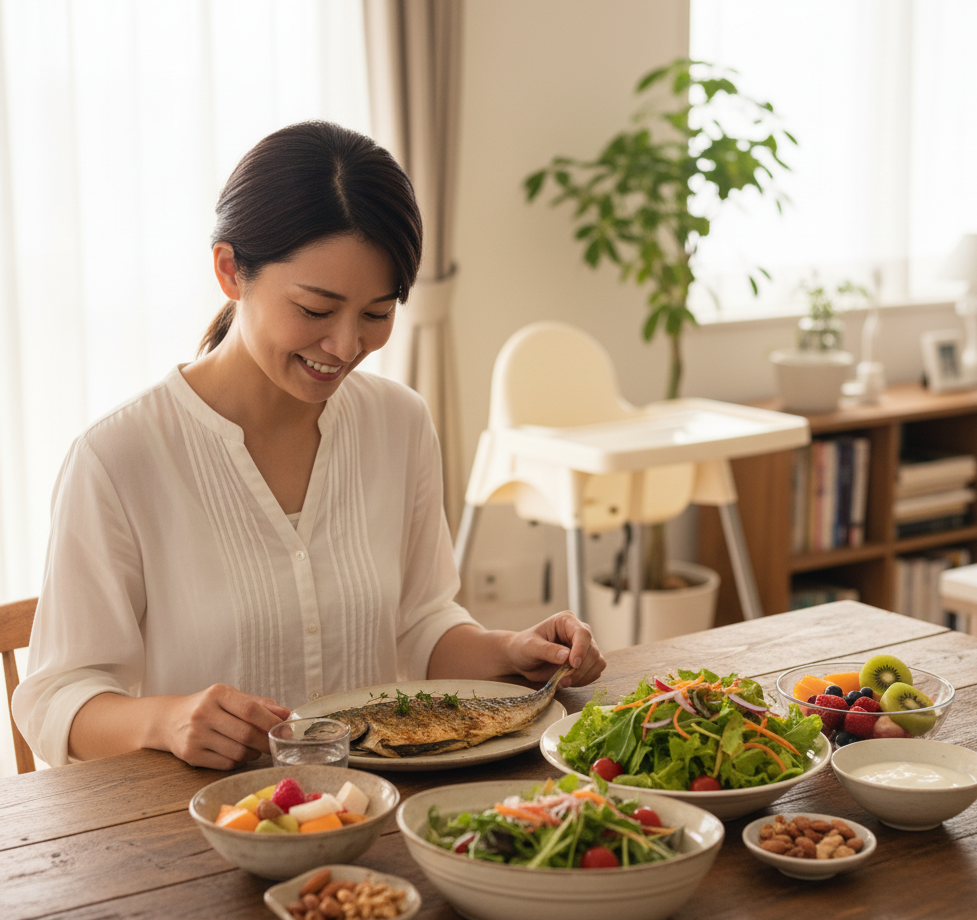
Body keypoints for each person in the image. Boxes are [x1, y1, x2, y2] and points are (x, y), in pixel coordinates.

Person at [13, 121, 605, 771]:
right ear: (230, 270)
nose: (347, 346)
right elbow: (53, 698)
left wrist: (509, 651)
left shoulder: (398, 423)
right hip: (203, 829)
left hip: (375, 816)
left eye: (377, 314)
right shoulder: (119, 459)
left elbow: (419, 624)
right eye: (317, 310)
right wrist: (167, 718)